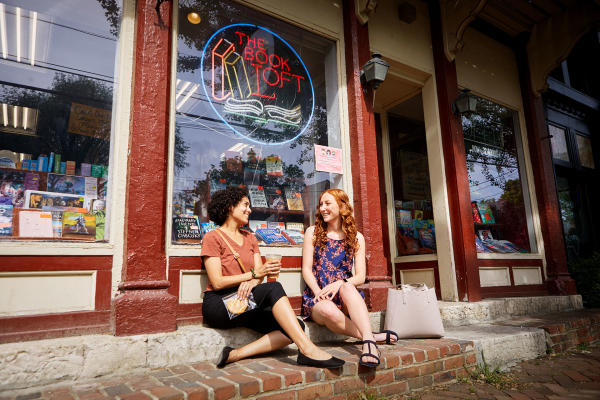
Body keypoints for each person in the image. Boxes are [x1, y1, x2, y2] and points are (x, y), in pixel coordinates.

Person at [201, 186, 344, 369]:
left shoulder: (250, 238)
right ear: (230, 207)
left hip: (245, 302)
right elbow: (217, 281)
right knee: (274, 287)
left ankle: (235, 354)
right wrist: (253, 275)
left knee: (295, 327)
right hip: (219, 304)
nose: (250, 209)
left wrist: (253, 280)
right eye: (245, 205)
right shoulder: (213, 237)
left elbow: (258, 276)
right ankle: (307, 349)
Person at [302, 188, 398, 368]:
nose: (322, 208)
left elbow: (360, 276)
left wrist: (340, 283)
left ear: (341, 206)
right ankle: (371, 337)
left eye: (328, 203)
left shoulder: (356, 237)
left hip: (344, 295)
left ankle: (367, 343)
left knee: (347, 286)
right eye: (321, 204)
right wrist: (317, 292)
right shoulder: (312, 232)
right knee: (328, 310)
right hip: (318, 297)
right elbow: (306, 270)